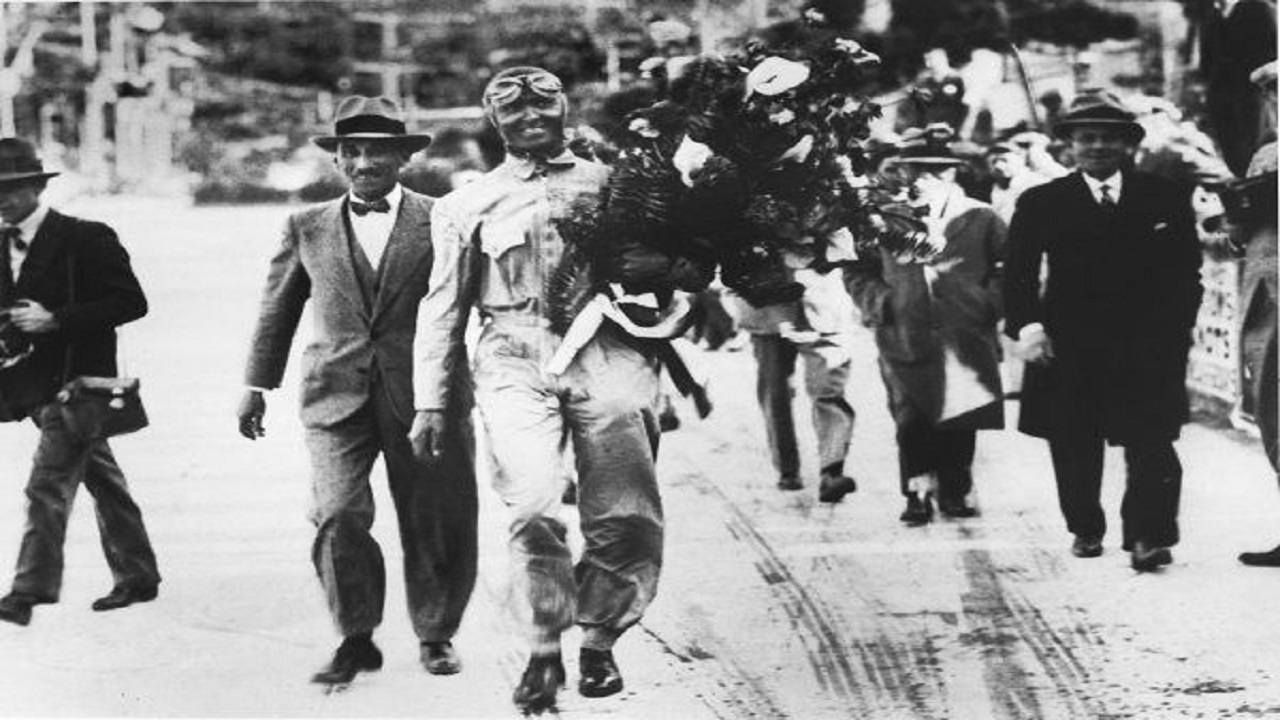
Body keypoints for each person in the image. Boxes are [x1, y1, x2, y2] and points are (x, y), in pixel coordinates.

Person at [410, 66, 711, 714]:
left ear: (563, 112)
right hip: (513, 357)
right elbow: (443, 308)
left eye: (543, 109)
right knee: (533, 505)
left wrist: (688, 280)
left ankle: (600, 639)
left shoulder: (615, 187)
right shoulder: (467, 205)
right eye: (514, 113)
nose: (530, 121)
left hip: (609, 348)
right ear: (497, 123)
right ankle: (545, 644)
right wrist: (430, 399)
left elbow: (675, 261)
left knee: (625, 507)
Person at [237, 96, 477, 685]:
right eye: (353, 151)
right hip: (334, 391)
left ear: (401, 157)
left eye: (377, 152)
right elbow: (278, 308)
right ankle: (356, 635)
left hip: (426, 393)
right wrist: (255, 384)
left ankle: (437, 631)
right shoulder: (306, 225)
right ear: (339, 159)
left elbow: (472, 298)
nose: (364, 162)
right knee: (337, 513)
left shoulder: (444, 217)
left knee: (436, 515)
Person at [1003, 91, 1203, 572]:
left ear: (1128, 145)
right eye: (1086, 138)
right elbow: (1019, 275)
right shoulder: (1042, 202)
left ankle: (1147, 536)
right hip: (1069, 344)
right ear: (1068, 146)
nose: (1097, 147)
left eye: (1109, 139)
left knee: (1152, 441)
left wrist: (1176, 332)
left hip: (1147, 344)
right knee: (1074, 441)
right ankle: (1086, 527)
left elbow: (1186, 274)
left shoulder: (1164, 197)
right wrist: (1029, 328)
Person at [0, 137, 160, 626]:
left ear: (34, 188)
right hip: (26, 388)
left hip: (78, 387)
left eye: (9, 189)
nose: (0, 200)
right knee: (101, 478)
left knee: (46, 485)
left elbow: (131, 302)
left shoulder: (86, 237)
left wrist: (57, 320)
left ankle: (28, 591)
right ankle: (138, 574)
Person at [846, 127, 1005, 525]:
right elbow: (856, 269)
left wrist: (988, 304)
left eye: (940, 170)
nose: (928, 179)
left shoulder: (981, 216)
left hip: (964, 332)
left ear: (955, 172)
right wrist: (882, 302)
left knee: (962, 409)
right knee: (910, 416)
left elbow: (1008, 270)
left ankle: (954, 487)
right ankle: (916, 490)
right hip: (904, 330)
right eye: (917, 170)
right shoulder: (884, 220)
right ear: (904, 171)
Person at [730, 268, 859, 503]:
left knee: (828, 387)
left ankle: (832, 469)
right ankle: (787, 468)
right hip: (765, 308)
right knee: (775, 392)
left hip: (821, 305)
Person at [1230, 60, 1279, 566]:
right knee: (1274, 416)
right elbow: (1247, 238)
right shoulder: (1265, 155)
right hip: (1267, 306)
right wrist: (1234, 219)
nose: (1277, 102)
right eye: (1272, 95)